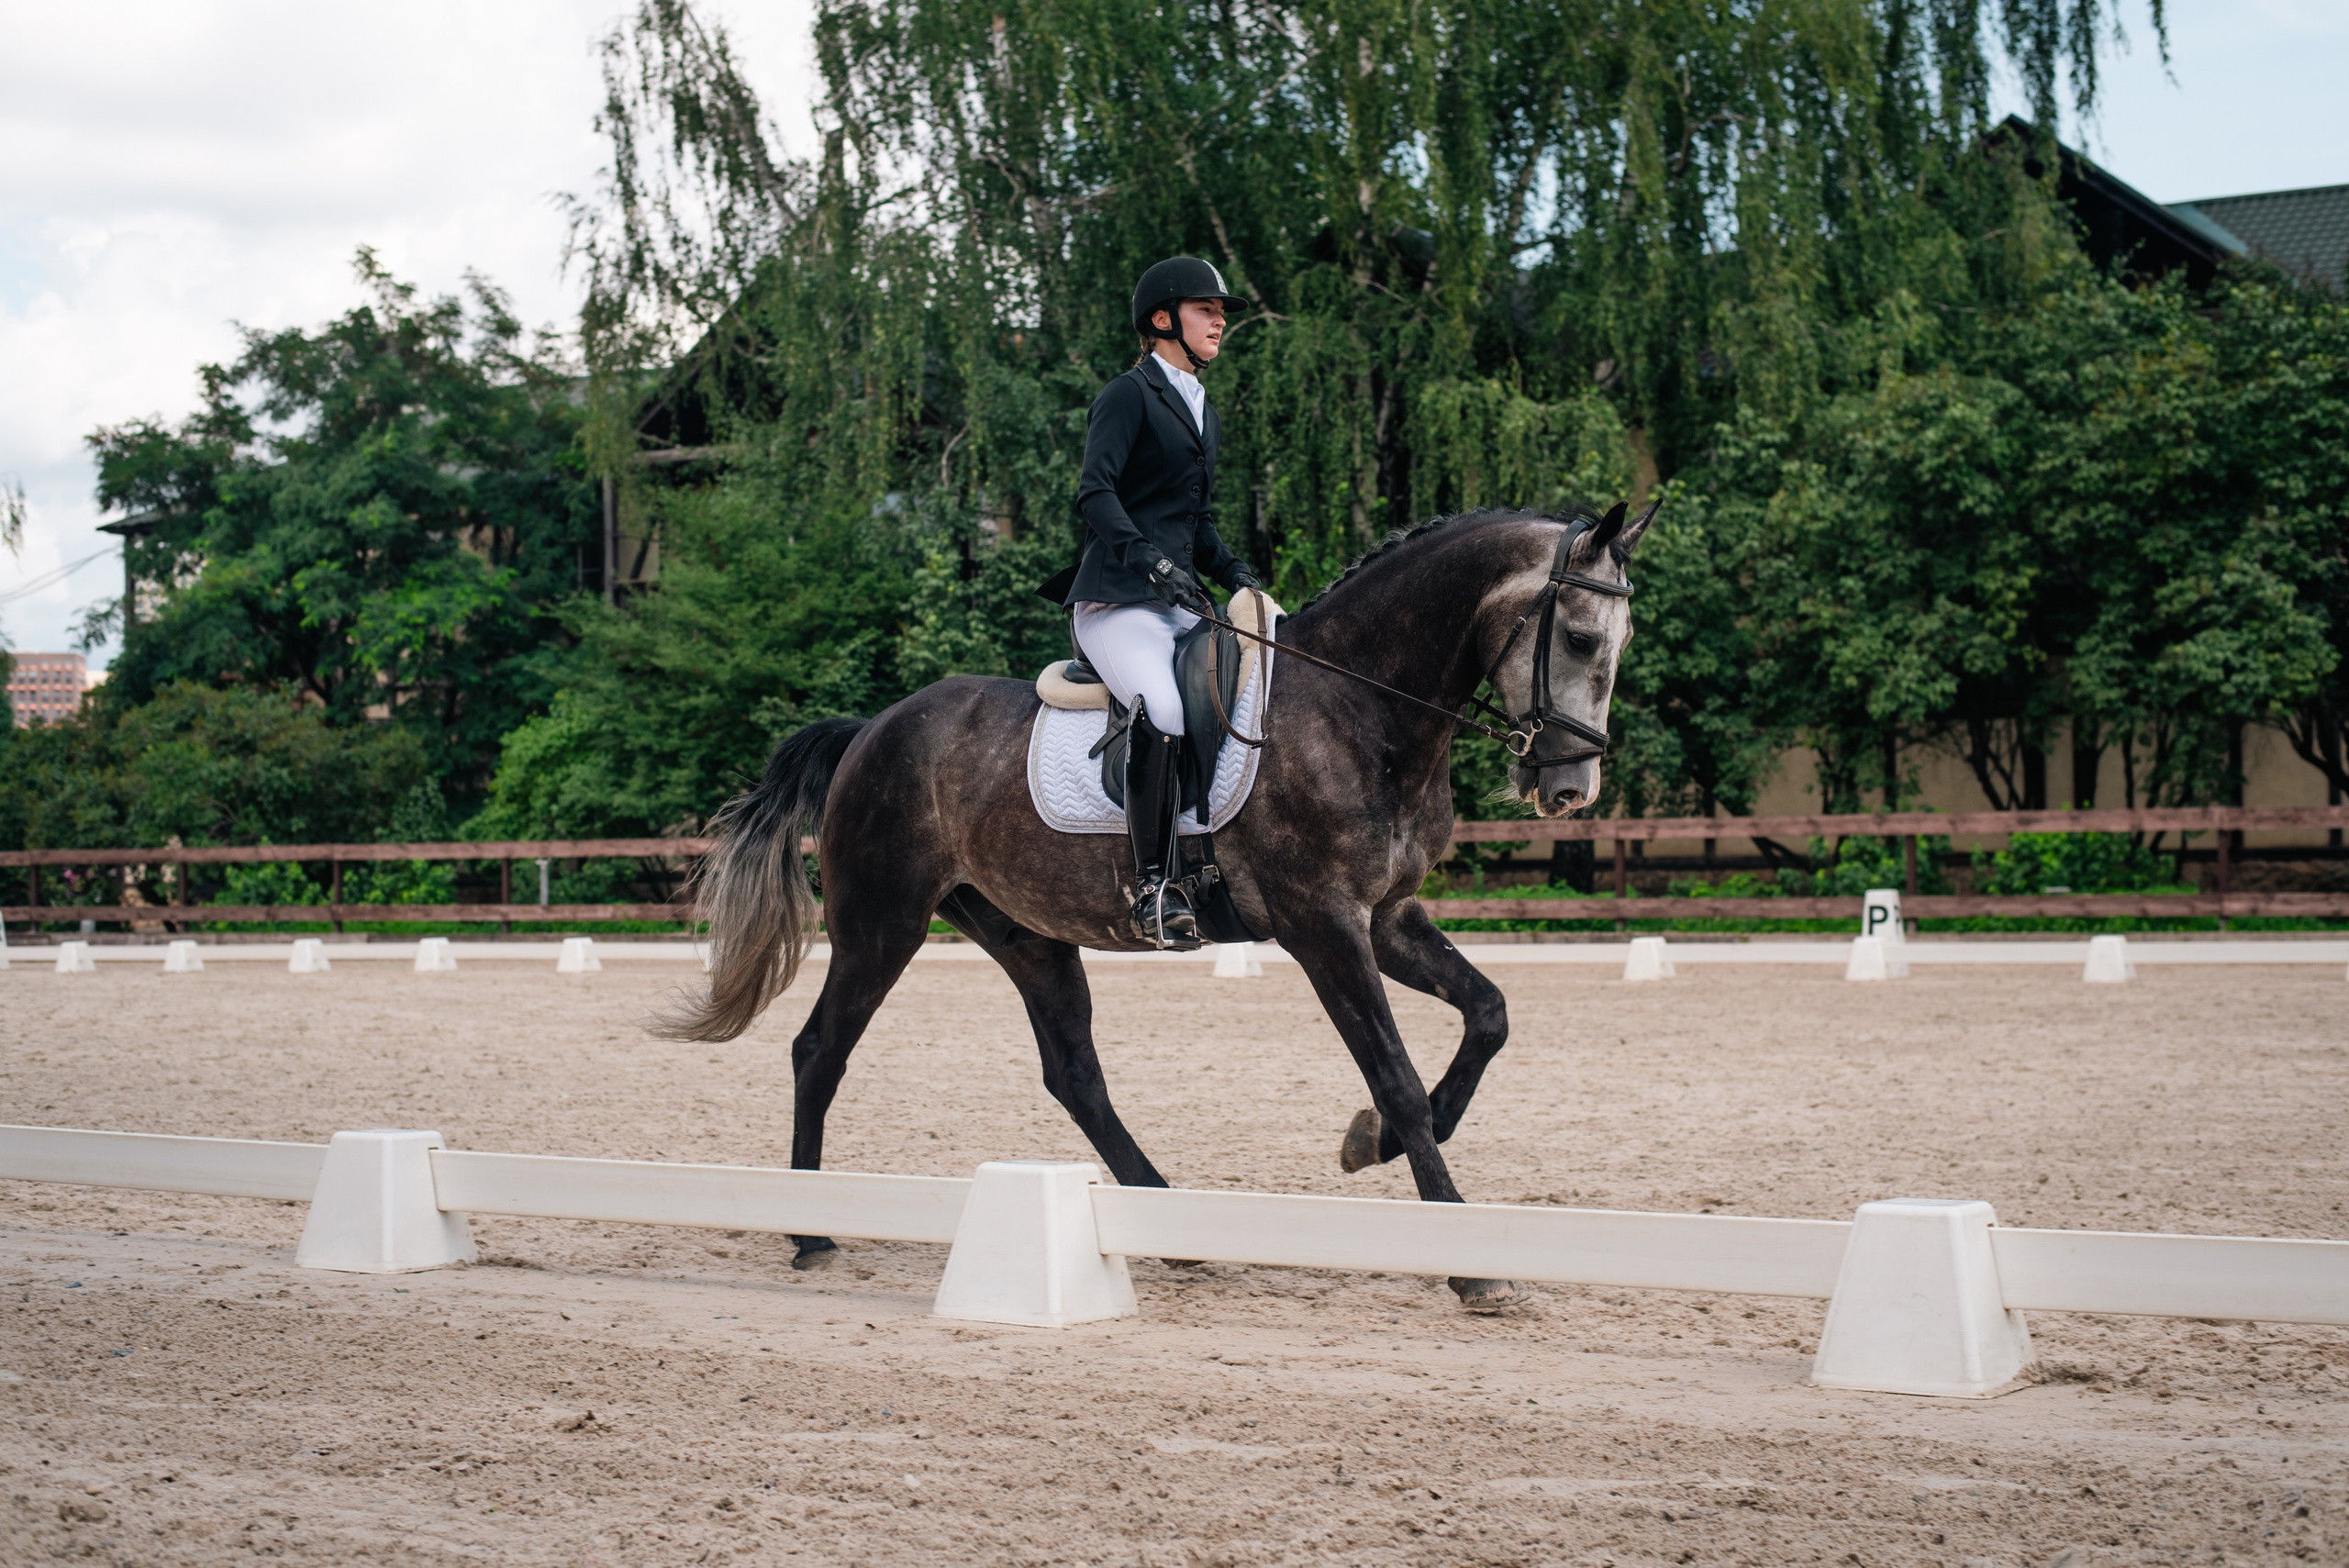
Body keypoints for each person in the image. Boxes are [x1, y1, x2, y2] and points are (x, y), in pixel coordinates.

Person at [1063, 256, 1261, 949]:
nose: (1221, 320)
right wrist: (1148, 559)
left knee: (1264, 681)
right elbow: (1096, 493)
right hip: (1118, 602)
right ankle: (1154, 885)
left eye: (1222, 310)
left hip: (1178, 598)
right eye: (1206, 308)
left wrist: (1239, 575)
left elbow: (1194, 522)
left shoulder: (1199, 404)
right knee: (1167, 709)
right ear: (1161, 319)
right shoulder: (1128, 393)